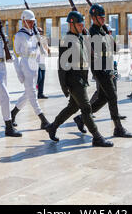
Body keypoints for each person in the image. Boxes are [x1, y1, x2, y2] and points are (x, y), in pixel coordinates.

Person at [45, 11, 113, 147]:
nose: (82, 26)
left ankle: (52, 127)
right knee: (86, 108)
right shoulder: (66, 40)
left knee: (72, 107)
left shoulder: (80, 38)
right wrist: (64, 86)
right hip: (73, 80)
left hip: (82, 78)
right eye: (79, 24)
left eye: (83, 24)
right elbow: (61, 66)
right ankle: (97, 137)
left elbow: (89, 55)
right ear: (71, 24)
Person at [80, 4, 132, 138]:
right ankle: (118, 128)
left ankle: (81, 119)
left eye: (104, 17)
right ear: (93, 18)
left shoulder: (103, 31)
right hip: (100, 69)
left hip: (108, 67)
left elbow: (113, 49)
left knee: (103, 98)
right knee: (112, 96)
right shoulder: (91, 32)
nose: (103, 20)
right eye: (100, 17)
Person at [10, 10, 50, 130]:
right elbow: (15, 56)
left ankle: (13, 114)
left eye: (33, 22)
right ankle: (43, 119)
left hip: (35, 65)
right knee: (32, 93)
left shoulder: (34, 34)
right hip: (26, 65)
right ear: (23, 21)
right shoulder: (19, 35)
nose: (32, 24)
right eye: (29, 21)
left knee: (28, 93)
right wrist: (19, 73)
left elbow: (39, 50)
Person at [37, 27, 50, 99]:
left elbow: (46, 49)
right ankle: (31, 92)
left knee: (42, 79)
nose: (40, 33)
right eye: (38, 31)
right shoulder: (33, 39)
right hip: (35, 62)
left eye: (41, 31)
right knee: (39, 78)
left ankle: (40, 93)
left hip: (42, 61)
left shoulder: (44, 39)